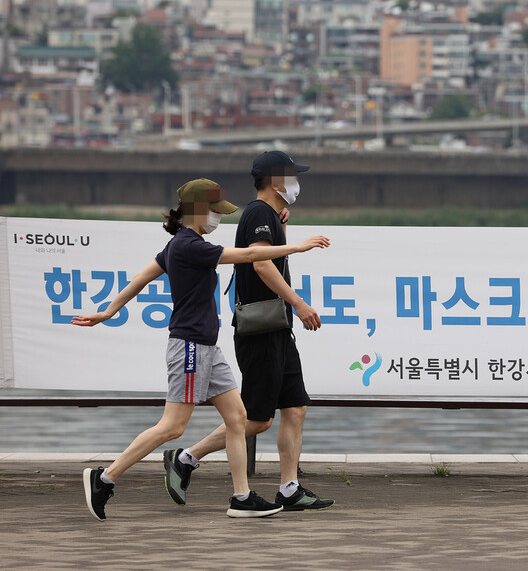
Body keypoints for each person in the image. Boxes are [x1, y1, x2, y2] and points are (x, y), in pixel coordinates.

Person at [72, 178, 330, 521]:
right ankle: (105, 478)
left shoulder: (181, 244)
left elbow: (142, 276)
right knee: (172, 427)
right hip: (190, 346)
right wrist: (297, 246)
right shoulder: (190, 246)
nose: (218, 219)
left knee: (238, 418)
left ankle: (241, 498)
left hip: (207, 347)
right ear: (195, 211)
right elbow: (251, 254)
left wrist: (109, 310)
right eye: (214, 212)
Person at [166, 151, 333, 512]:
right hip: (261, 328)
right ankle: (187, 458)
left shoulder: (270, 215)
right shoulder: (258, 213)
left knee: (295, 406)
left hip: (276, 328)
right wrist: (298, 304)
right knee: (256, 419)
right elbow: (260, 263)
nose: (296, 184)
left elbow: (271, 255)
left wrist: (283, 226)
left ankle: (289, 487)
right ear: (276, 182)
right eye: (292, 177)